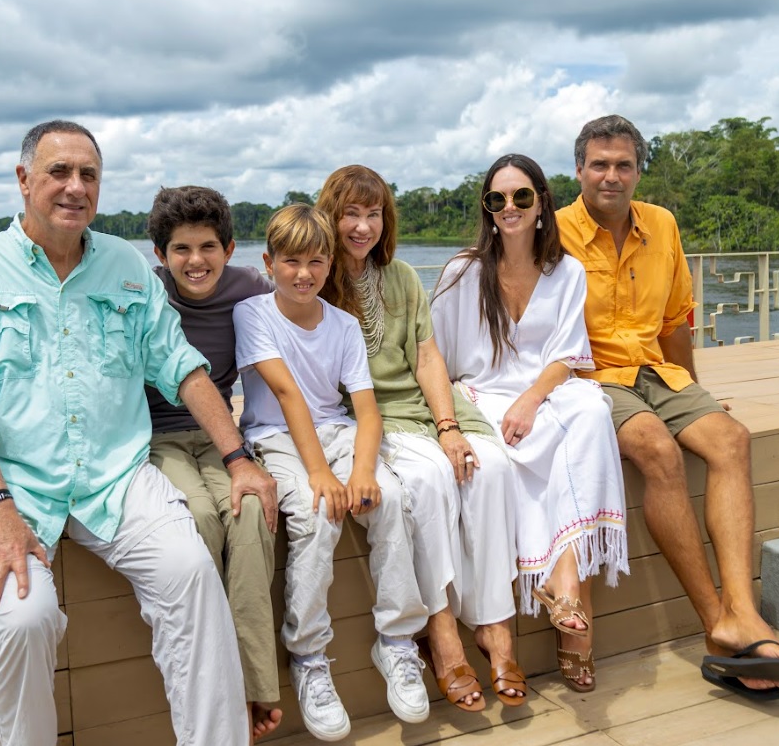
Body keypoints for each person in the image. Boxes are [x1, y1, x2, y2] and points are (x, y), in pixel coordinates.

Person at [0, 121, 276, 745]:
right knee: (24, 617)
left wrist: (239, 457)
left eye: (88, 174)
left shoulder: (125, 265)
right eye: (59, 171)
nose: (75, 186)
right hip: (6, 486)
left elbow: (182, 367)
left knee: (191, 574)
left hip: (114, 477)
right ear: (24, 179)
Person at [556, 114, 779, 701]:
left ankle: (742, 611)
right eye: (600, 164)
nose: (612, 176)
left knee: (731, 438)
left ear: (638, 171)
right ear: (579, 170)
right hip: (589, 378)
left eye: (624, 165)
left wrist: (695, 394)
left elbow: (674, 322)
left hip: (656, 371)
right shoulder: (555, 231)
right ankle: (716, 623)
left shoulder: (662, 224)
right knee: (657, 449)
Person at [314, 166, 524, 711]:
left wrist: (449, 426)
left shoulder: (403, 276)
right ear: (330, 217)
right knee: (428, 482)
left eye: (374, 214)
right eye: (351, 214)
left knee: (491, 468)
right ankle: (442, 629)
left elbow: (428, 357)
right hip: (370, 414)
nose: (364, 227)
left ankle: (495, 624)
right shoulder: (314, 279)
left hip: (427, 402)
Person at [432, 154, 629, 692]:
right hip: (480, 393)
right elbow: (437, 357)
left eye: (521, 196)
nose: (510, 207)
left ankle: (563, 579)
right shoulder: (462, 274)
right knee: (517, 447)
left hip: (545, 391)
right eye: (497, 199)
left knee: (592, 410)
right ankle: (566, 597)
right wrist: (449, 421)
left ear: (542, 202)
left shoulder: (566, 272)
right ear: (487, 208)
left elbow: (568, 354)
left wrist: (531, 399)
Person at [234, 204, 429, 741]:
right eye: (291, 261)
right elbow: (286, 393)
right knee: (318, 512)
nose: (304, 274)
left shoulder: (342, 325)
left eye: (316, 261)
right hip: (274, 435)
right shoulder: (254, 314)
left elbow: (366, 410)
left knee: (391, 497)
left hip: (335, 432)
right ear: (268, 263)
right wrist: (320, 475)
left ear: (330, 264)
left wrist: (363, 471)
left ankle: (397, 642)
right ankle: (309, 654)